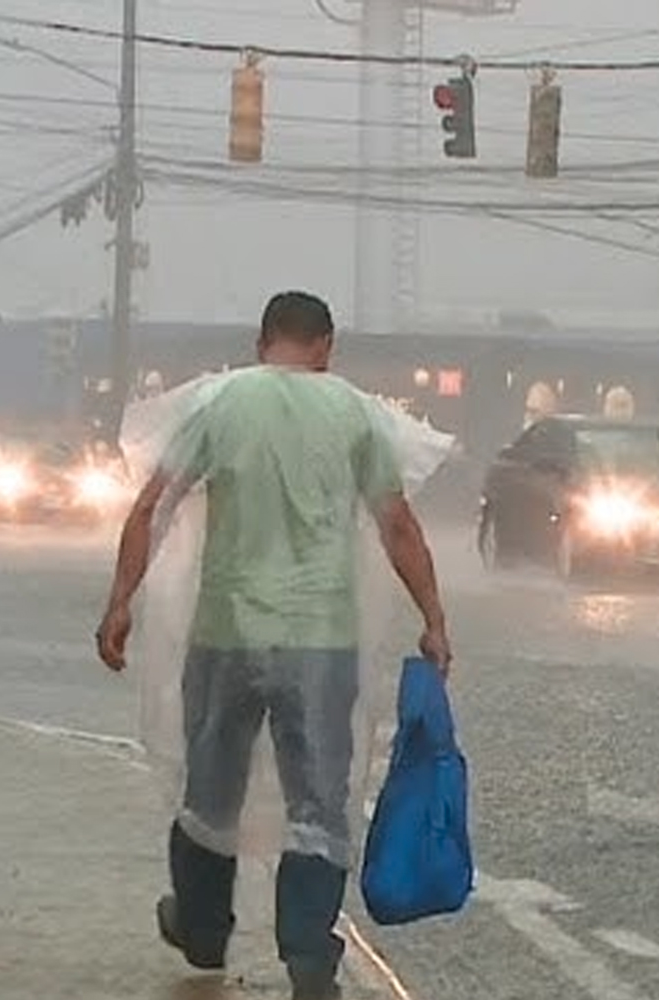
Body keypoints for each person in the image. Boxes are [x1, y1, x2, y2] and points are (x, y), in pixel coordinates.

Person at [95, 291, 453, 1000]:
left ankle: (201, 925)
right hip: (321, 640)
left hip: (227, 633)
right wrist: (434, 618)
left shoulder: (219, 405)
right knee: (318, 802)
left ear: (263, 342)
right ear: (325, 346)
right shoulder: (354, 412)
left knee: (211, 789)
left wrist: (119, 604)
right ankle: (308, 957)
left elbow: (151, 508)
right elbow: (399, 526)